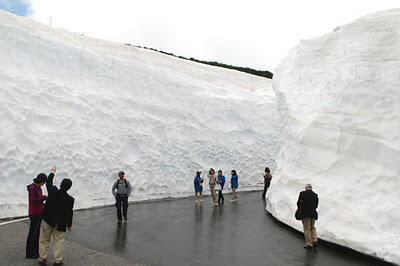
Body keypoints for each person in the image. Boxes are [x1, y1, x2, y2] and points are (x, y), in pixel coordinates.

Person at [38, 166, 74, 266]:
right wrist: (69, 225)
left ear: (61, 185)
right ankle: (57, 260)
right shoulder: (70, 199)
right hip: (60, 223)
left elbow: (48, 182)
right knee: (59, 242)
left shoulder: (53, 191)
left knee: (44, 240)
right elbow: (69, 213)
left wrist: (52, 173)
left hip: (48, 220)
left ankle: (42, 258)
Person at [26, 173, 48, 259]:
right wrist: (44, 197)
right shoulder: (32, 188)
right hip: (34, 213)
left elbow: (38, 201)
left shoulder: (38, 188)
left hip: (38, 212)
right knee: (33, 233)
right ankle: (30, 253)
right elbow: (34, 201)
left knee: (36, 233)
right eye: (44, 182)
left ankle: (35, 252)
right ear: (41, 181)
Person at [297, 184, 319, 250]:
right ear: (311, 188)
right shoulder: (315, 195)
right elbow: (316, 205)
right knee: (312, 227)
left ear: (306, 188)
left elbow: (299, 203)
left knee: (307, 229)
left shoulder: (302, 194)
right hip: (313, 213)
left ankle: (309, 244)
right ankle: (315, 241)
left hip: (305, 214)